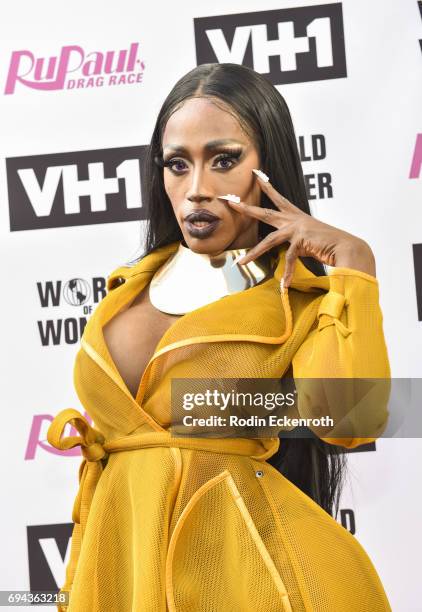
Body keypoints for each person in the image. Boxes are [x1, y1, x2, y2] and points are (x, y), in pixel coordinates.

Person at [47, 63, 392, 611]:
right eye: (177, 165)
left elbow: (350, 419)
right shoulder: (125, 288)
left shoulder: (299, 299)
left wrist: (354, 261)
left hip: (238, 575)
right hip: (117, 567)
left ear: (269, 168)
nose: (196, 190)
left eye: (224, 160)